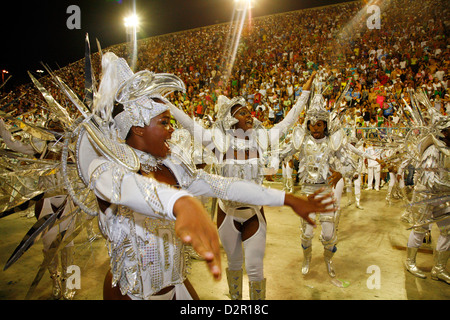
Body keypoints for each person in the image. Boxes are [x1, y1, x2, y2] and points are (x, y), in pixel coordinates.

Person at [76, 53, 334, 300]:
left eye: (170, 123)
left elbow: (226, 186)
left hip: (177, 285)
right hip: (129, 295)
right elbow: (128, 188)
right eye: (164, 123)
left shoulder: (173, 167)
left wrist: (286, 198)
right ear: (139, 128)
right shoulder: (105, 168)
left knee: (252, 268)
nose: (171, 131)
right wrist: (180, 202)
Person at [169, 72, 318, 299]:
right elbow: (189, 125)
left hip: (254, 215)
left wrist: (305, 92)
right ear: (230, 120)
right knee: (235, 264)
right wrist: (166, 103)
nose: (249, 115)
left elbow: (289, 121)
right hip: (226, 214)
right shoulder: (217, 143)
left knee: (256, 269)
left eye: (249, 111)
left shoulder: (263, 139)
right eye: (242, 112)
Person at [276, 90, 355, 278]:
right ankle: (307, 258)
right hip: (307, 192)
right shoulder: (302, 141)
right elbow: (281, 153)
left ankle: (328, 259)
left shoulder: (332, 143)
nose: (315, 129)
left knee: (328, 234)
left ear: (325, 125)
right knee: (307, 232)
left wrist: (341, 173)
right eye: (311, 125)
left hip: (326, 191)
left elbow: (351, 164)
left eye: (319, 124)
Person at [402, 95, 449, 285]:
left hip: (443, 196)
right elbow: (430, 180)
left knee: (448, 230)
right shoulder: (432, 150)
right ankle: (410, 261)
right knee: (420, 229)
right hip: (425, 195)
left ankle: (439, 268)